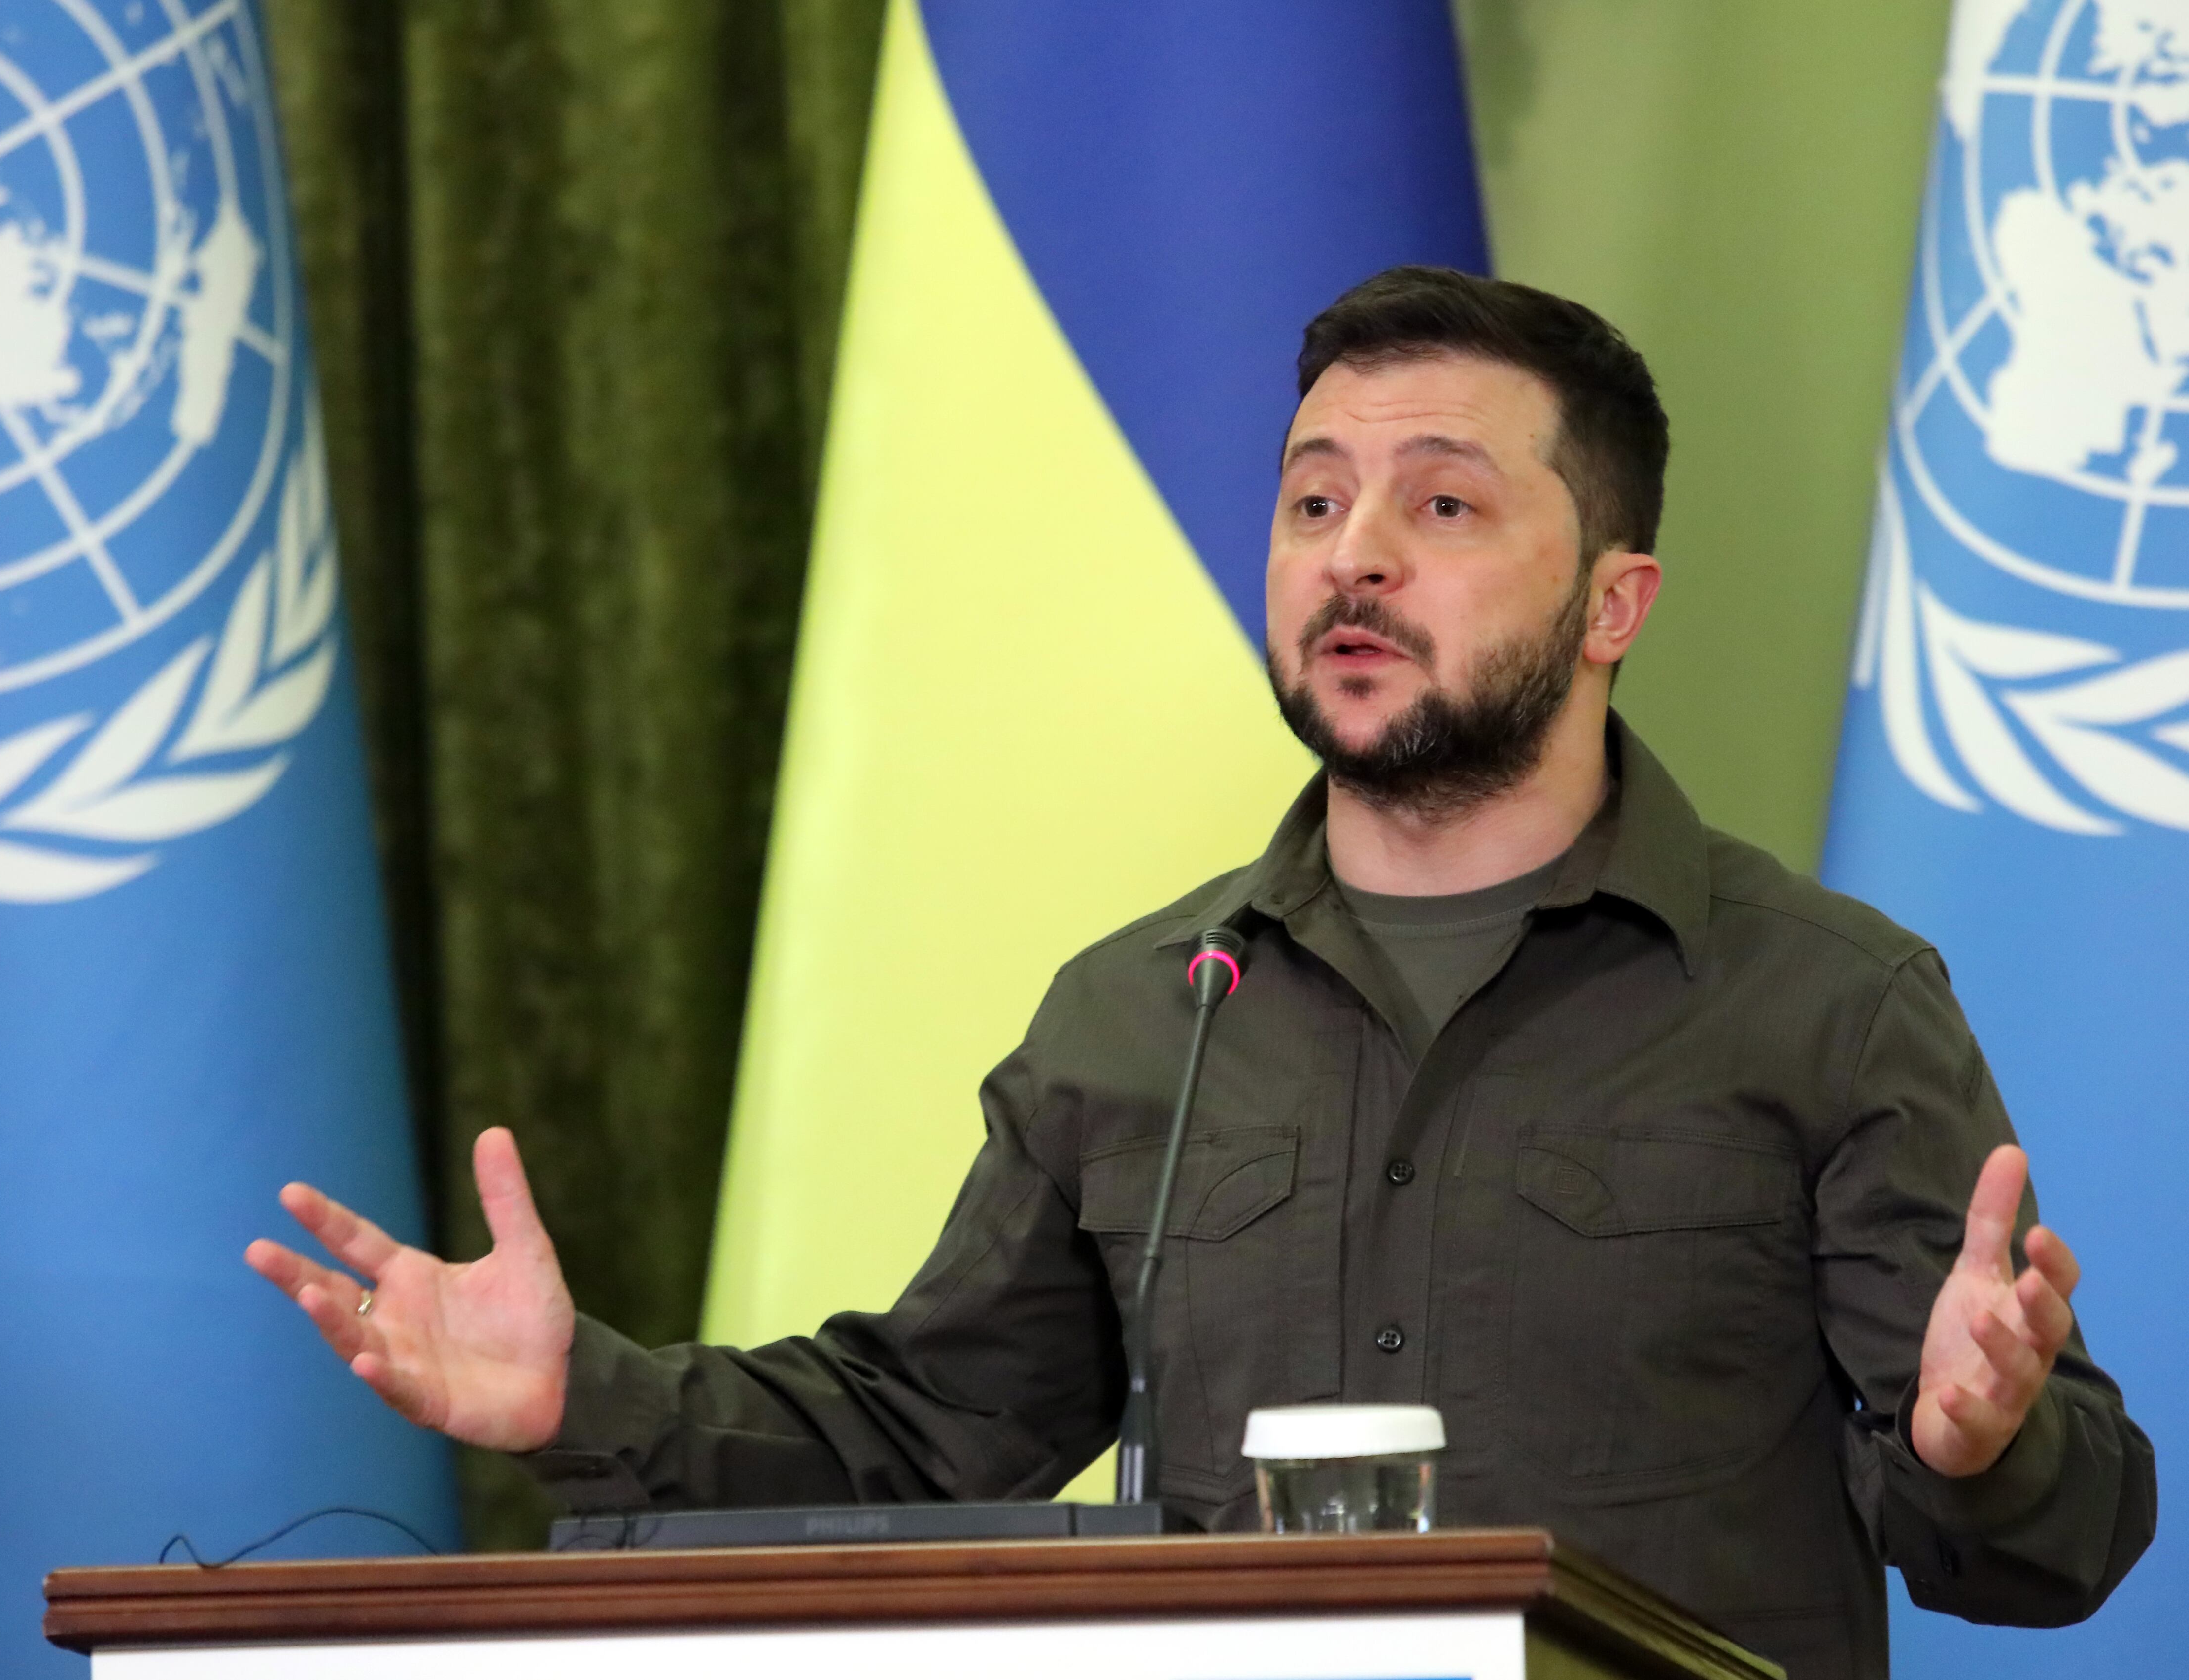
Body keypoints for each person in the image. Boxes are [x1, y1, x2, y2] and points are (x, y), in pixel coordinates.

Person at [247, 268, 2155, 1680]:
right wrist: (580, 1390)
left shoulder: (1819, 999)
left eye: (1441, 504)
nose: (1353, 558)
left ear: (1610, 604)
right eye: (1313, 499)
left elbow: (2058, 1547)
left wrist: (1973, 1440)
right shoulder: (1136, 1013)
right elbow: (924, 1435)